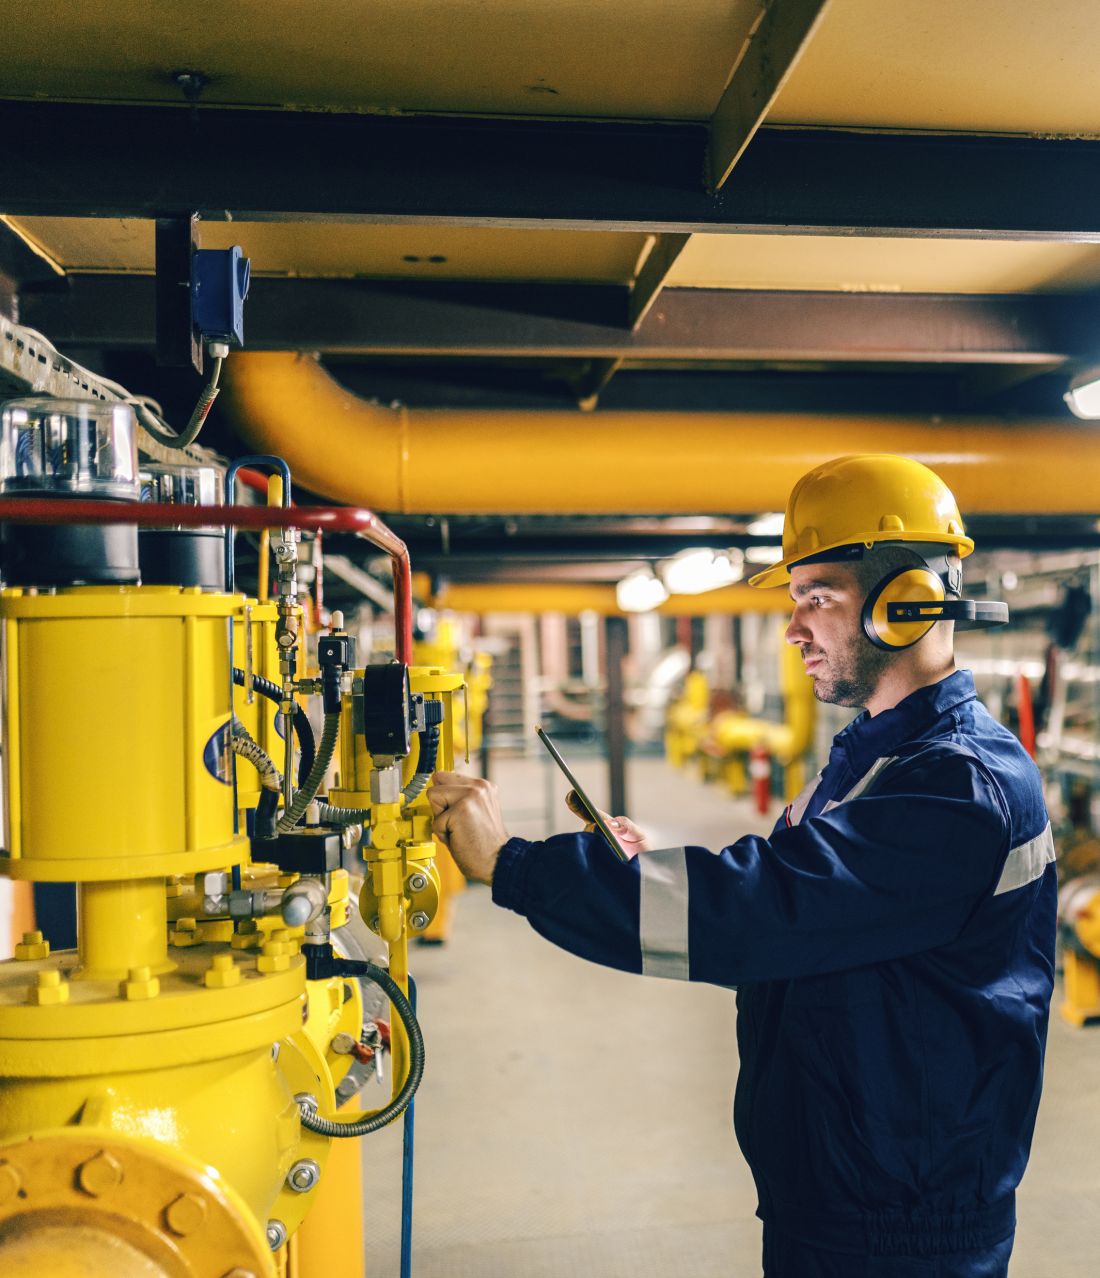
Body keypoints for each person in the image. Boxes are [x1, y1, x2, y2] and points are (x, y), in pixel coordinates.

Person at [428, 454, 1056, 1278]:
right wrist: (641, 867)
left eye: (816, 600)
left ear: (902, 607)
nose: (793, 629)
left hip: (902, 1222)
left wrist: (513, 866)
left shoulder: (957, 785)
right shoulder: (879, 756)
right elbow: (810, 906)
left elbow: (761, 911)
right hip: (850, 1182)